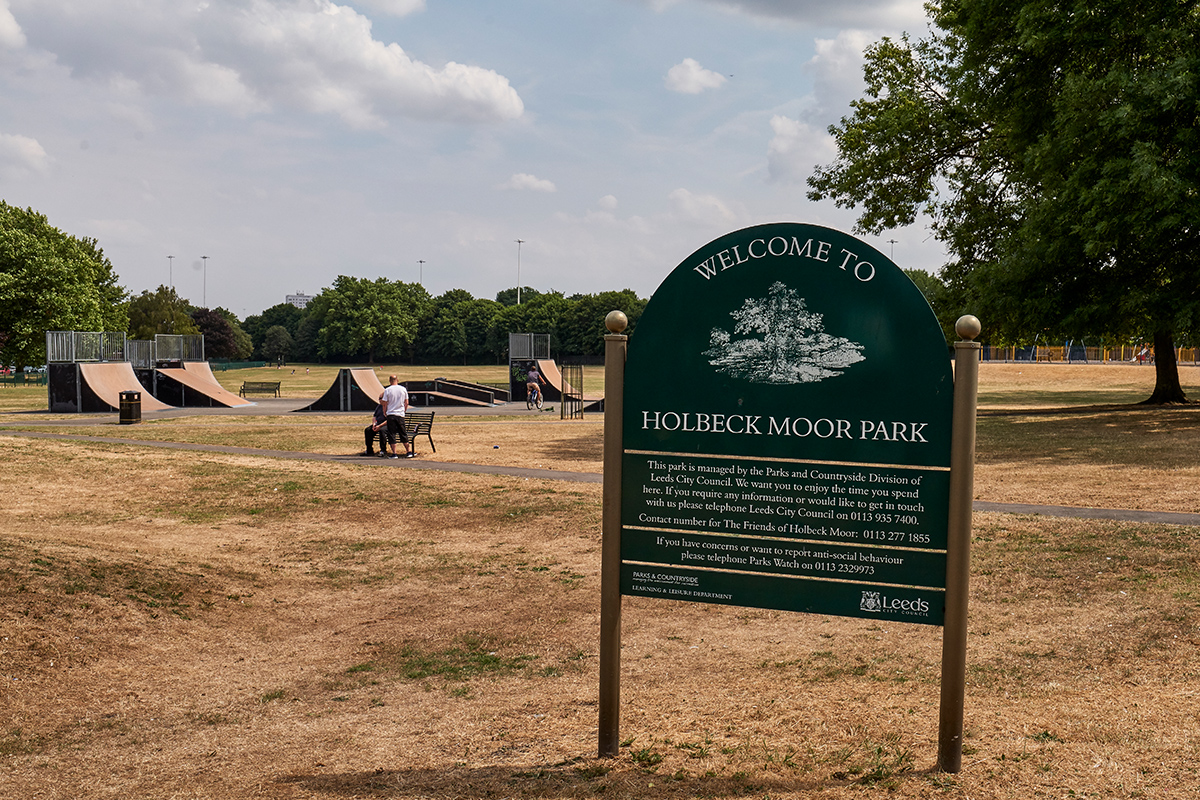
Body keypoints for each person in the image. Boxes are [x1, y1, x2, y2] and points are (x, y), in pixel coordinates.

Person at [379, 374, 414, 459]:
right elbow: (407, 402)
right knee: (403, 433)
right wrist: (404, 411)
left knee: (392, 434)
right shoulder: (403, 389)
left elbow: (384, 403)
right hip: (400, 414)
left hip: (391, 414)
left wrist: (385, 412)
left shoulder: (387, 390)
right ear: (397, 380)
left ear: (390, 381)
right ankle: (408, 452)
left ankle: (394, 453)